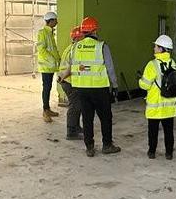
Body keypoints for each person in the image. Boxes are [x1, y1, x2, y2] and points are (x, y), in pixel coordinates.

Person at [69, 16, 121, 157]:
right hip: (100, 89)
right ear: (95, 30)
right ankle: (107, 145)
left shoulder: (75, 47)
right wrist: (114, 85)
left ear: (84, 31)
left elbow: (75, 67)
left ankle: (90, 147)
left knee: (87, 118)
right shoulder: (102, 46)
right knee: (105, 117)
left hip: (82, 89)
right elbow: (109, 68)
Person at [139, 35, 176, 160]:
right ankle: (169, 153)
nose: (154, 48)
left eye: (156, 46)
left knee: (153, 131)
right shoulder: (173, 63)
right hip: (169, 106)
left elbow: (145, 85)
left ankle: (152, 152)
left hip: (155, 106)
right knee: (168, 131)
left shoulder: (152, 65)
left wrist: (140, 81)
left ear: (161, 49)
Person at [57, 26, 84, 140]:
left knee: (78, 105)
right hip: (68, 81)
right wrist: (63, 77)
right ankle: (71, 131)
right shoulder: (76, 49)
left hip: (66, 81)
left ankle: (76, 127)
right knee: (75, 106)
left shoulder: (69, 48)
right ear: (78, 38)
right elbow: (71, 67)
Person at [36, 11, 61, 123]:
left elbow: (53, 49)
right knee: (46, 88)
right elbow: (41, 50)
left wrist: (58, 59)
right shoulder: (43, 33)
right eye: (55, 20)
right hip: (46, 66)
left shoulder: (51, 33)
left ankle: (48, 109)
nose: (57, 22)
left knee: (49, 87)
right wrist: (52, 59)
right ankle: (45, 111)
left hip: (51, 66)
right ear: (50, 21)